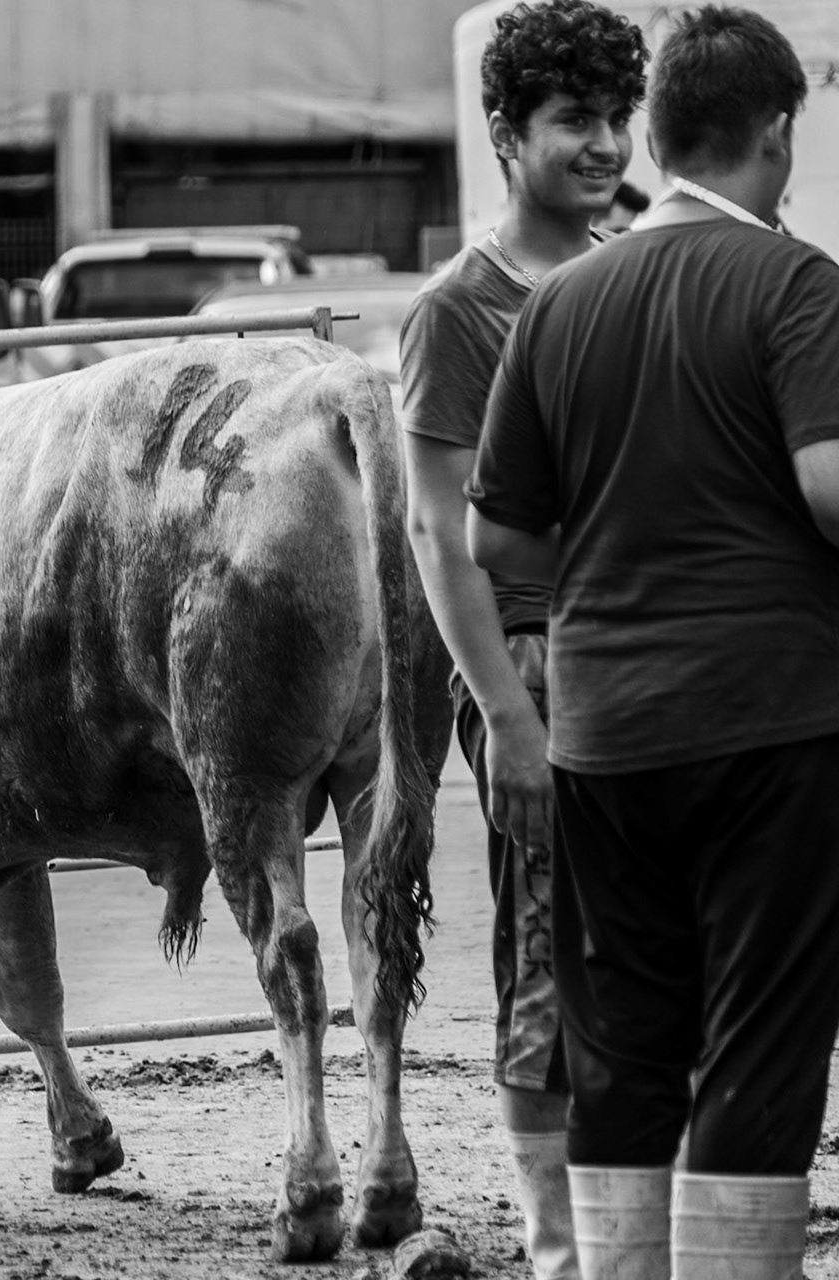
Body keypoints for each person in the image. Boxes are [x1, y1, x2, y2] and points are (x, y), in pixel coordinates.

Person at [468, 8, 839, 1277]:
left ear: (662, 134)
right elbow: (831, 483)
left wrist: (619, 563)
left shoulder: (558, 306)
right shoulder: (798, 285)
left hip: (604, 737)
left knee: (621, 1047)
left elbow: (499, 548)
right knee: (757, 1040)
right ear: (777, 135)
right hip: (770, 727)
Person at [399, 4, 647, 1277]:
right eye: (573, 122)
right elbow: (440, 535)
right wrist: (503, 716)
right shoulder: (460, 311)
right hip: (539, 662)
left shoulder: (637, 266)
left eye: (616, 118)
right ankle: (558, 1247)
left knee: (659, 957)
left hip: (660, 663)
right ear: (505, 135)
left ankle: (631, 1227)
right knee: (548, 955)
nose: (603, 144)